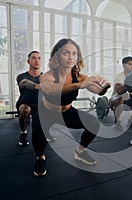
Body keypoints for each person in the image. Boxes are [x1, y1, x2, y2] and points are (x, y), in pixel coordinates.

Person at [31, 38, 111, 176]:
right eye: (66, 53)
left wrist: (105, 87)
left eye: (74, 54)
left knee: (93, 124)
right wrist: (80, 85)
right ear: (57, 56)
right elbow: (50, 90)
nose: (71, 57)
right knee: (38, 129)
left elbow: (98, 91)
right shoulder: (47, 76)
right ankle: (40, 158)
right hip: (47, 111)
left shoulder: (79, 77)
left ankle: (80, 151)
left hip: (66, 112)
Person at [16, 51, 42, 146]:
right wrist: (37, 86)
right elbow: (23, 83)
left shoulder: (44, 76)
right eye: (34, 58)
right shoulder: (22, 76)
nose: (37, 60)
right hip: (25, 102)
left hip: (40, 104)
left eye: (39, 58)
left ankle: (47, 132)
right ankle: (23, 133)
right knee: (25, 110)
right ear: (28, 61)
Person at [110, 56, 132, 131]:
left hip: (128, 99)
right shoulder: (119, 77)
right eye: (130, 64)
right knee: (120, 99)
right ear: (124, 65)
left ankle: (131, 120)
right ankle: (117, 122)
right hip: (116, 99)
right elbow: (119, 91)